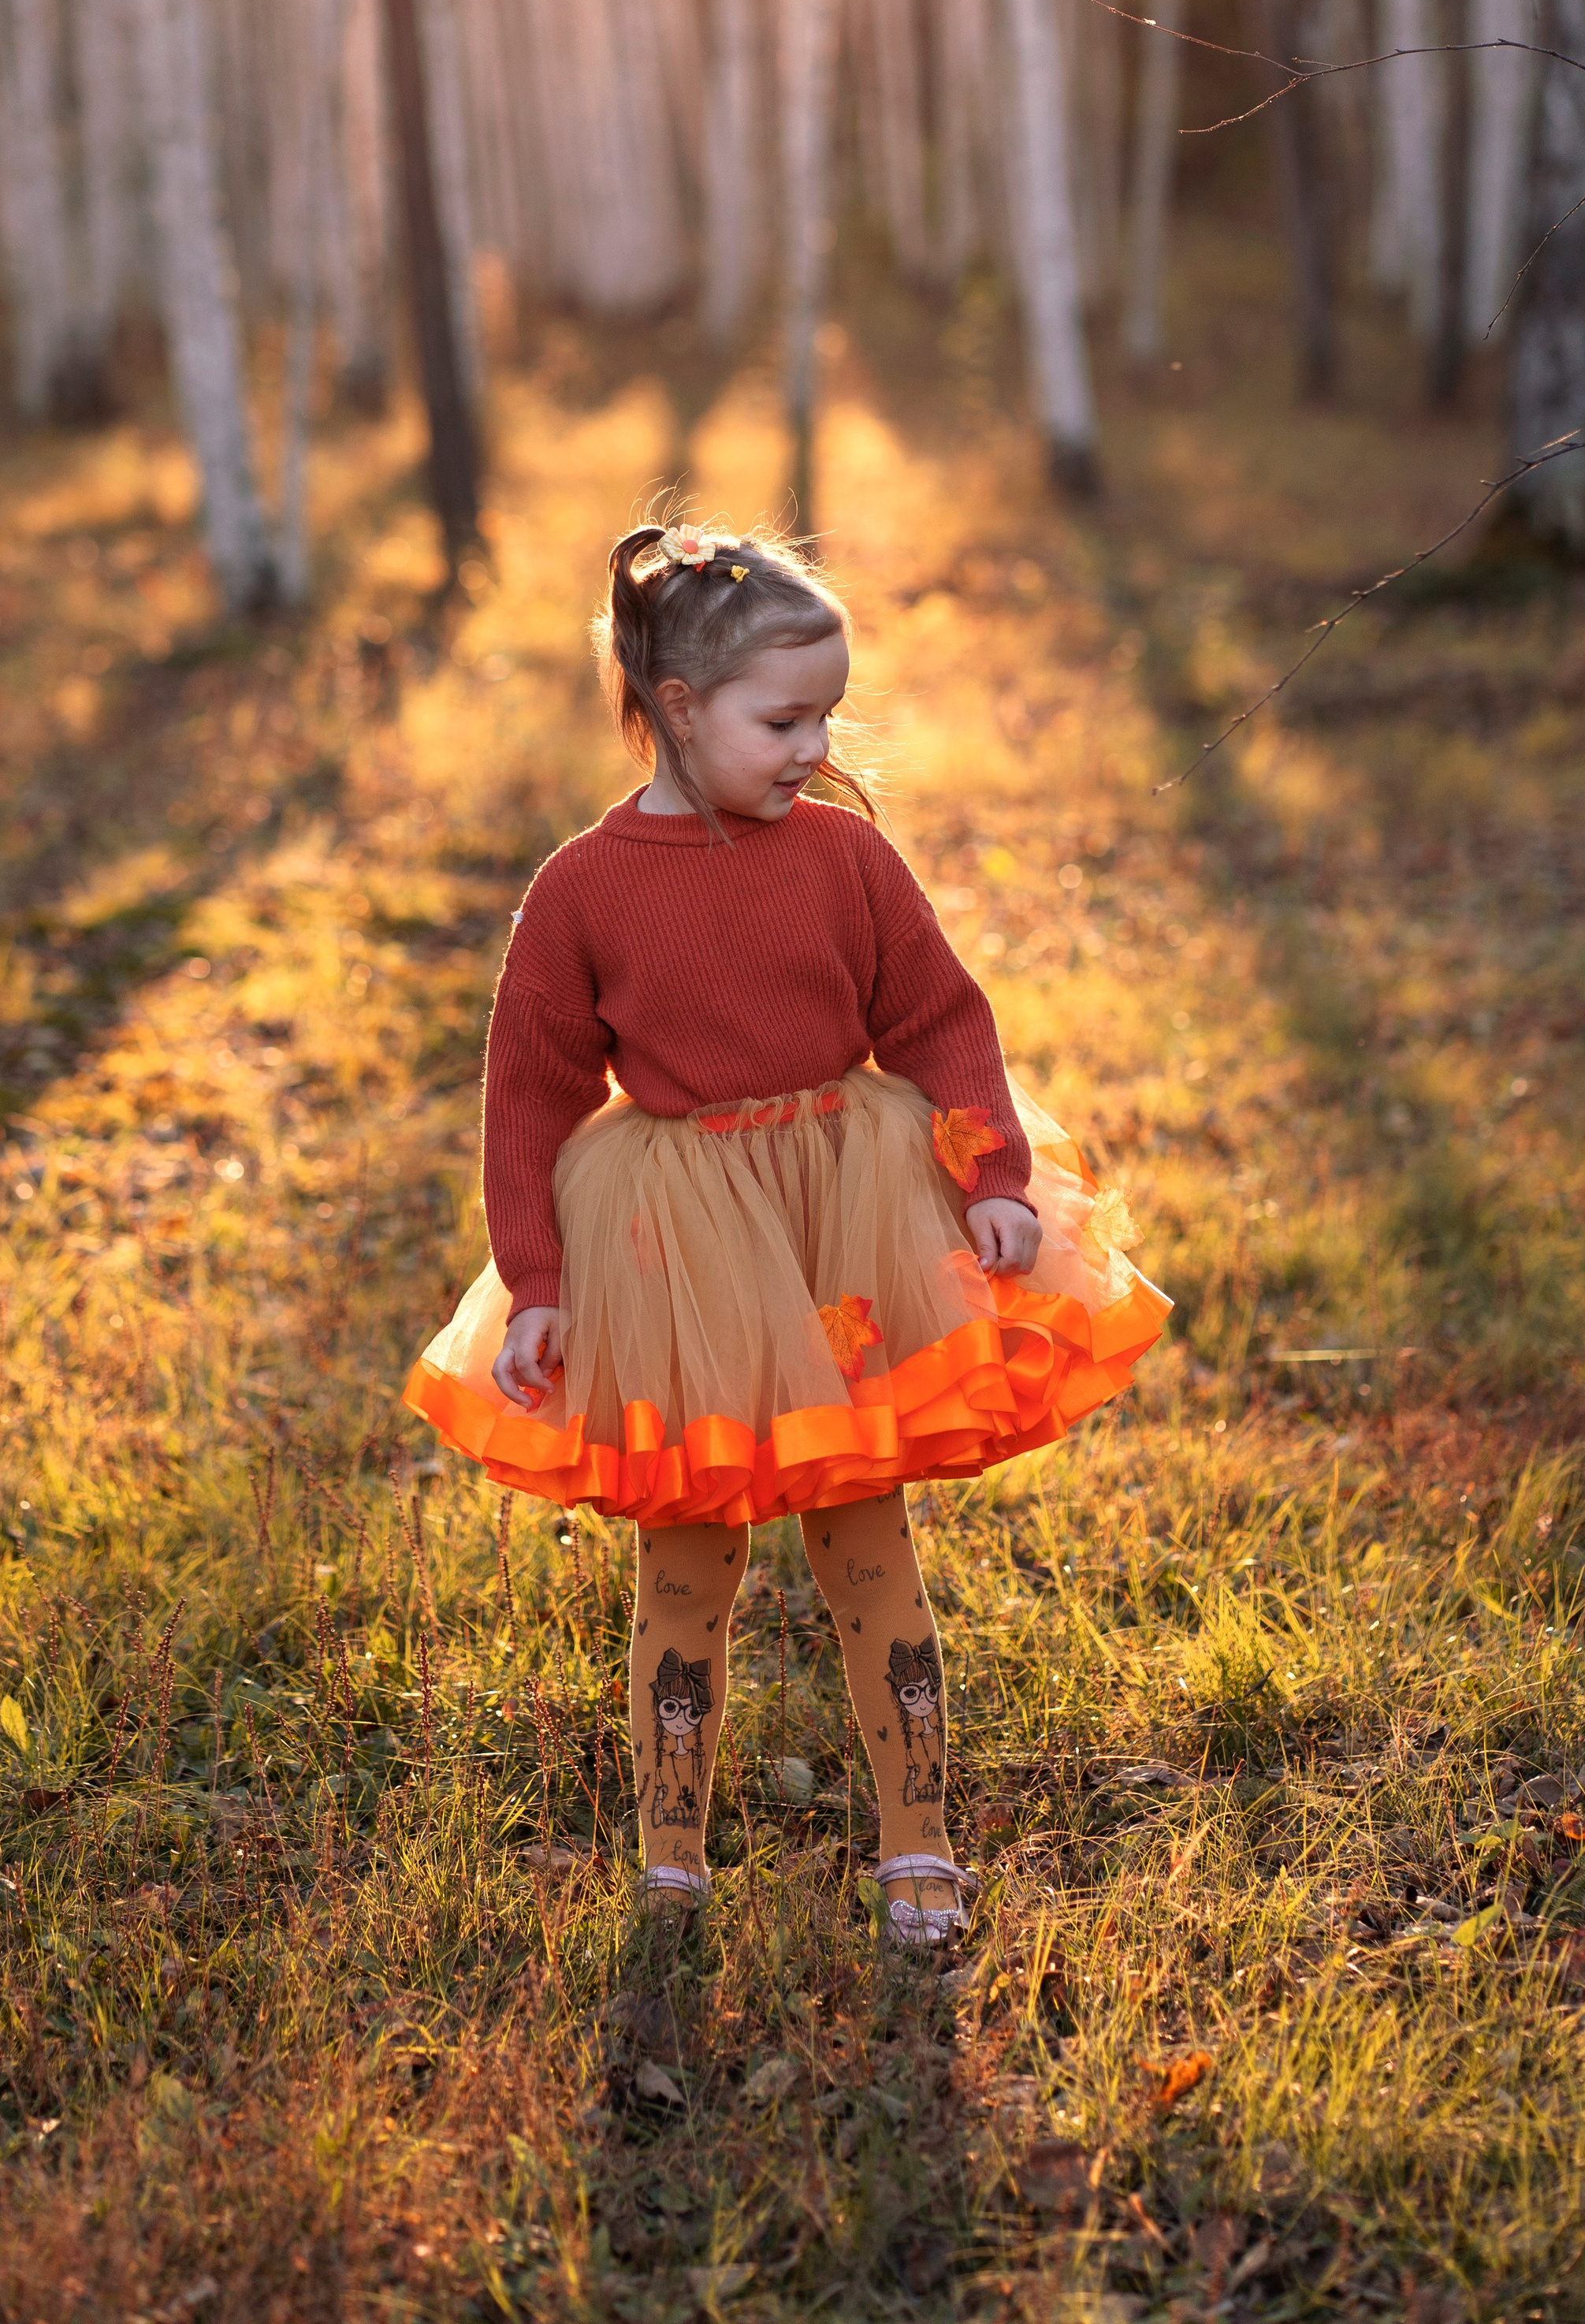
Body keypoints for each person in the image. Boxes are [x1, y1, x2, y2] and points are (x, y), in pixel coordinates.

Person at [407, 517, 1169, 1942]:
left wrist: (995, 1173)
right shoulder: (580, 890)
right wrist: (541, 1281)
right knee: (688, 1549)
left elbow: (942, 1017)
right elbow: (532, 1097)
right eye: (781, 718)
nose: (815, 744)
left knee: (863, 1527)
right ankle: (674, 1855)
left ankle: (921, 1846)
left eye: (827, 712)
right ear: (677, 711)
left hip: (850, 1218)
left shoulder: (846, 861)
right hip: (680, 1253)